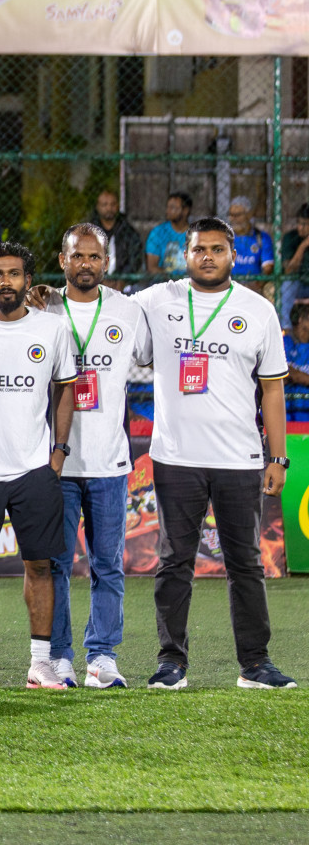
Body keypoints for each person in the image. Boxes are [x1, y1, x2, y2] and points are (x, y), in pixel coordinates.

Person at [132, 217, 298, 689]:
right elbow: (101, 309)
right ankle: (171, 663)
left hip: (240, 459)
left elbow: (272, 390)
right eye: (199, 248)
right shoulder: (156, 300)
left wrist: (278, 456)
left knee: (244, 562)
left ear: (232, 254)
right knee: (173, 562)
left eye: (218, 249)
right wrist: (51, 298)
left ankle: (255, 665)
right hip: (175, 457)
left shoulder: (257, 309)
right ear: (184, 255)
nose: (208, 256)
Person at [0, 241, 77, 690]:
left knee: (40, 565)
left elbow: (66, 389)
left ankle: (40, 662)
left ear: (29, 279)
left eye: (15, 274)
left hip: (34, 469)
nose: (7, 281)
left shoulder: (53, 328)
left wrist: (58, 453)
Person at [35, 224, 152, 689]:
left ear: (106, 262)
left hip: (109, 462)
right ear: (62, 260)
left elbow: (150, 356)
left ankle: (102, 656)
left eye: (94, 257)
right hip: (56, 464)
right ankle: (61, 656)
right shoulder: (41, 307)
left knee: (108, 565)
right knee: (58, 565)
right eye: (77, 256)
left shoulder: (128, 310)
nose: (86, 264)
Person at [92, 190, 144, 283]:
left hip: (125, 284)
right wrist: (101, 281)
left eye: (113, 204)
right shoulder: (89, 233)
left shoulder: (128, 232)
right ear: (97, 207)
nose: (109, 208)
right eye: (104, 205)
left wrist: (122, 281)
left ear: (118, 206)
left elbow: (135, 259)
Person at [226, 196, 274, 289]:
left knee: (271, 289)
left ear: (249, 215)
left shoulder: (261, 237)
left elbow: (268, 267)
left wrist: (257, 285)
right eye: (231, 215)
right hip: (229, 285)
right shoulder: (225, 238)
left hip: (254, 285)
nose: (233, 219)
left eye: (238, 215)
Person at [275, 204, 309, 326]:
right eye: (299, 223)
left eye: (305, 224)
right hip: (298, 284)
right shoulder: (291, 237)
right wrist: (303, 246)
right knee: (287, 285)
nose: (300, 227)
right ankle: (285, 329)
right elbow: (289, 270)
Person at [145, 191, 192, 278]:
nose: (168, 211)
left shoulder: (196, 234)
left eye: (173, 207)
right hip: (163, 284)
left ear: (185, 211)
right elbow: (152, 267)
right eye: (168, 207)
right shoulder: (158, 233)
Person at [283, 303, 309, 422]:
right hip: (284, 415)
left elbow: (285, 374)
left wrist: (295, 375)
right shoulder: (282, 343)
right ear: (300, 320)